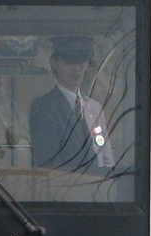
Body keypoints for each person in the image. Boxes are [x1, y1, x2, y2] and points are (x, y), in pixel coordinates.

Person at [30, 36, 114, 172]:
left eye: (82, 62)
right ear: (55, 63)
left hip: (99, 189)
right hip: (65, 189)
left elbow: (106, 158)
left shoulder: (94, 107)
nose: (77, 69)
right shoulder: (44, 107)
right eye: (69, 62)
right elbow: (46, 161)